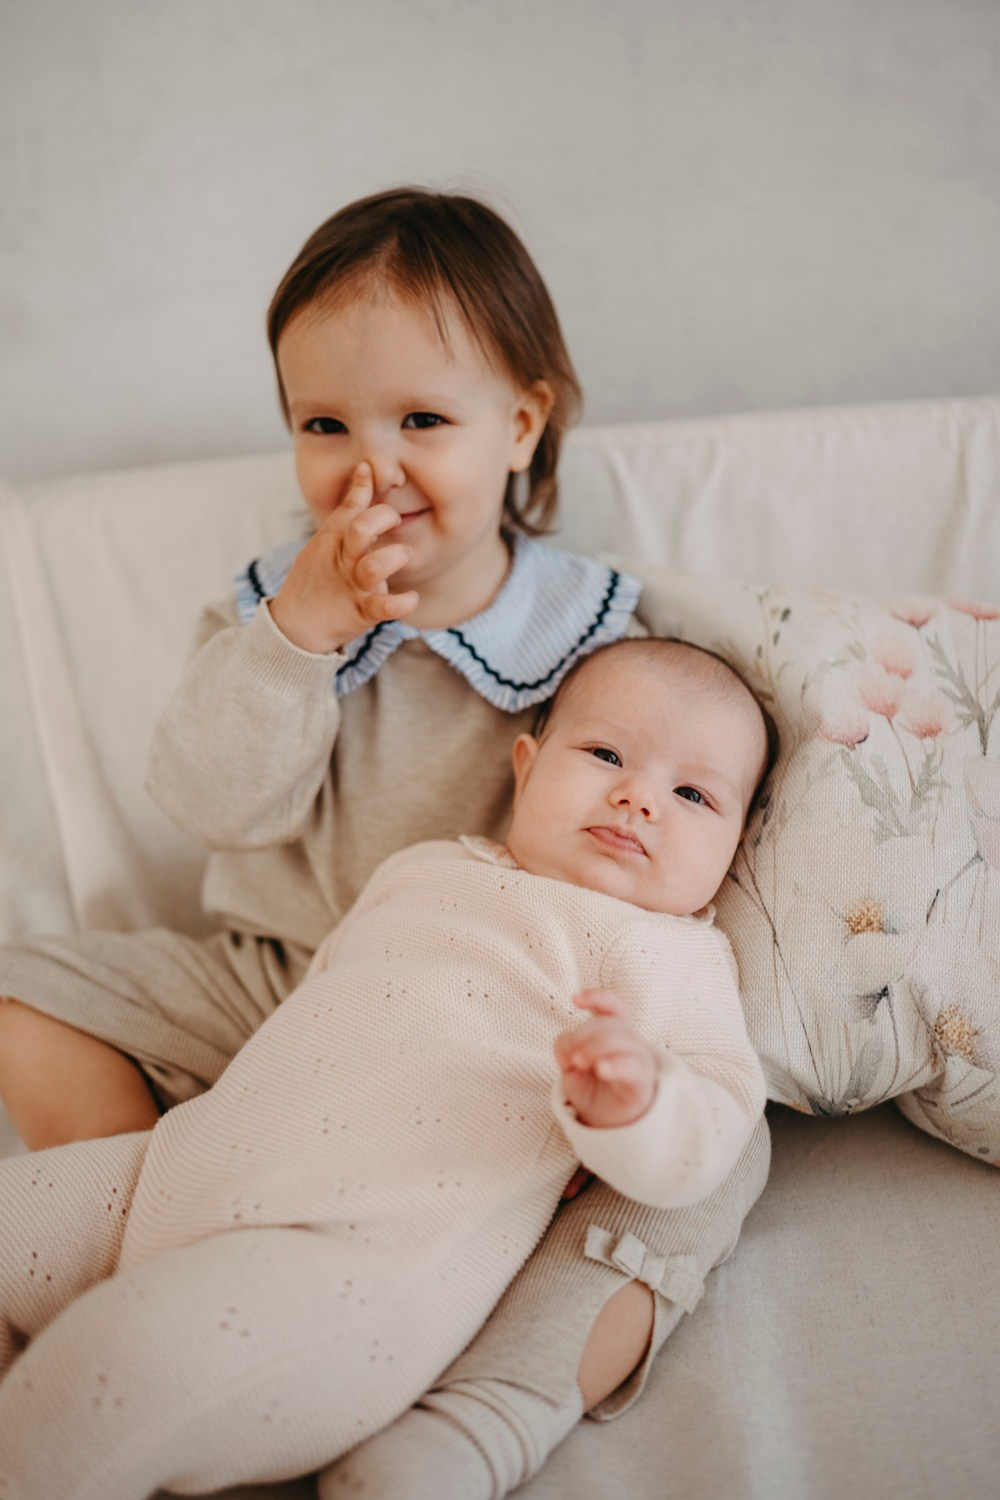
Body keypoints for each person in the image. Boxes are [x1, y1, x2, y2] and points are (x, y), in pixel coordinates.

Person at [0, 188, 770, 1498]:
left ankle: (502, 1393)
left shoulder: (593, 643)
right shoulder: (275, 608)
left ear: (520, 425)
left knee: (716, 1157)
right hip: (275, 973)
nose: (373, 467)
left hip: (496, 1041)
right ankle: (144, 1232)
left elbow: (698, 769)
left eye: (421, 421)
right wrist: (298, 638)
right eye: (325, 425)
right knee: (26, 986)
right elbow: (213, 807)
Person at [0, 639, 768, 1499]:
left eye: (693, 794)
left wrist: (637, 1105)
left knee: (99, 1379)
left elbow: (715, 1127)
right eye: (605, 754)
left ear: (734, 849)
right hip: (181, 1169)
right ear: (525, 768)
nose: (639, 797)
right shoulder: (425, 867)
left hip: (348, 1274)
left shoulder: (675, 958)